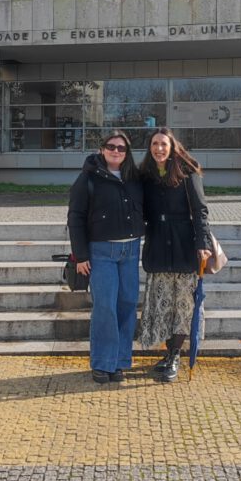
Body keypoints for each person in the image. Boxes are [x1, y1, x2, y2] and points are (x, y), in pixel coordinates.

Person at [68, 129, 145, 384]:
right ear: (102, 149)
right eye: (111, 146)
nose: (116, 151)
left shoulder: (134, 178)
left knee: (126, 305)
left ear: (127, 153)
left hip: (131, 252)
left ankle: (120, 362)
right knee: (105, 308)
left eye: (121, 148)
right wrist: (80, 256)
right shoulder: (88, 178)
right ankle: (102, 362)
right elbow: (75, 218)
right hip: (101, 253)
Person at [138, 127, 212, 382]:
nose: (159, 148)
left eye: (163, 144)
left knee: (182, 305)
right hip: (157, 244)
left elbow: (200, 210)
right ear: (150, 148)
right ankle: (169, 352)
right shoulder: (145, 175)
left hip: (183, 245)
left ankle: (175, 356)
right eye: (155, 144)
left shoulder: (187, 171)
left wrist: (203, 244)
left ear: (172, 147)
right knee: (163, 306)